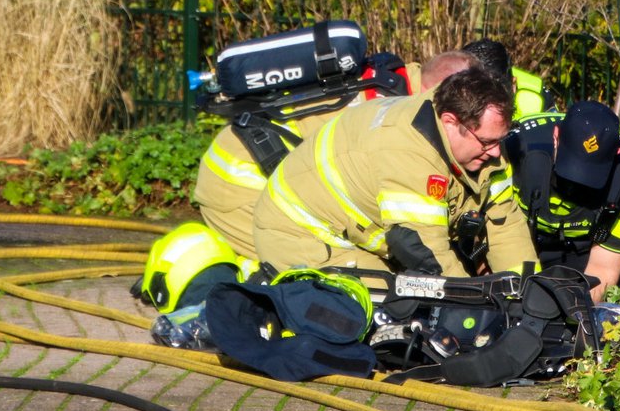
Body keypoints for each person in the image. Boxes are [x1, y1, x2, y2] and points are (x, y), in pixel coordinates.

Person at [251, 66, 538, 277]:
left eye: (500, 140)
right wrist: (480, 306)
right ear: (450, 122)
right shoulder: (407, 149)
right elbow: (420, 247)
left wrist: (529, 296)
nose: (497, 153)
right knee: (385, 312)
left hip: (361, 237)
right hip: (302, 232)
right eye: (487, 142)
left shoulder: (483, 144)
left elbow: (506, 224)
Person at [193, 49, 477, 259]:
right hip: (240, 185)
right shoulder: (397, 113)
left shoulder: (396, 80)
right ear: (438, 90)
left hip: (253, 169)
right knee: (301, 275)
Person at [502, 100, 620, 302]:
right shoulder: (514, 152)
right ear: (556, 136)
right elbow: (494, 232)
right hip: (517, 242)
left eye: (590, 177)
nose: (576, 185)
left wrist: (577, 314)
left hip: (580, 254)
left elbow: (604, 269)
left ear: (616, 154)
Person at [461, 39, 547, 118]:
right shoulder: (450, 92)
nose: (488, 107)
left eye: (496, 95)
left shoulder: (537, 94)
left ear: (513, 85)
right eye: (477, 94)